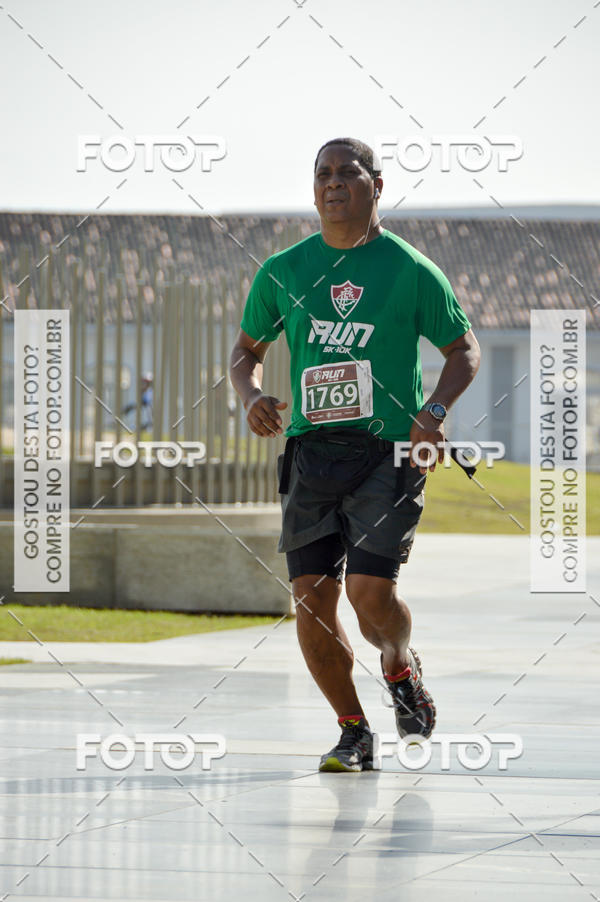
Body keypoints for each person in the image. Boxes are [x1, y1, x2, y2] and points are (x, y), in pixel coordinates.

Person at [229, 137, 480, 772]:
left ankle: (398, 665)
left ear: (377, 185)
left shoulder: (409, 269)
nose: (333, 182)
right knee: (312, 599)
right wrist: (250, 393)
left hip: (388, 453)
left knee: (370, 597)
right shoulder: (283, 270)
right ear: (312, 189)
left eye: (348, 172)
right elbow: (245, 352)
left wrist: (435, 412)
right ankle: (353, 731)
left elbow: (464, 350)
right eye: (322, 174)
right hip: (312, 453)